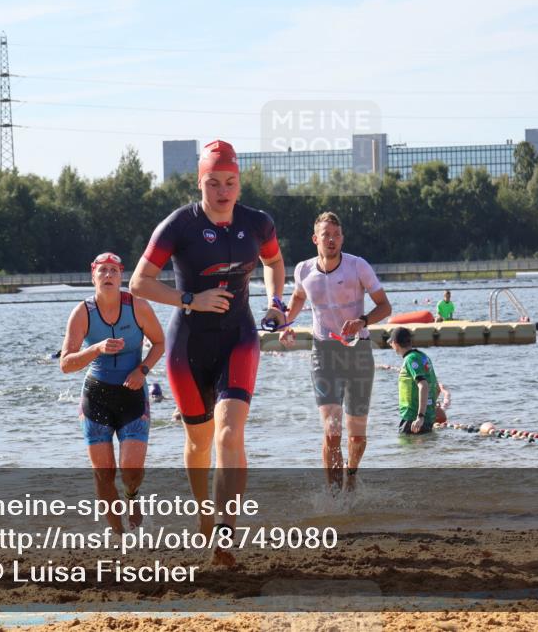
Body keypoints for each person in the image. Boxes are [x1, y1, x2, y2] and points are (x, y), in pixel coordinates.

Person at [130, 139, 286, 565]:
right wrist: (190, 300)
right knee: (199, 443)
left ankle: (225, 529)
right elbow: (139, 283)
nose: (222, 191)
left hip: (239, 336)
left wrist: (276, 302)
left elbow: (274, 263)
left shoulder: (258, 223)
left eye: (230, 182)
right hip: (188, 345)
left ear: (240, 183)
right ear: (200, 183)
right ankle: (204, 514)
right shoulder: (179, 225)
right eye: (213, 182)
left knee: (229, 434)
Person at [279, 212, 391, 490]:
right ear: (315, 239)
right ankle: (332, 497)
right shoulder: (304, 270)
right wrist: (285, 325)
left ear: (342, 239)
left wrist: (362, 321)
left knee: (356, 437)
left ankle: (351, 477)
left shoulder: (357, 266)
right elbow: (297, 299)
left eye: (337, 235)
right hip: (323, 353)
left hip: (358, 352)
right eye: (326, 235)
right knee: (332, 431)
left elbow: (385, 306)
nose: (332, 240)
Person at [60, 252, 165, 533]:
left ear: (121, 277)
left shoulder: (138, 306)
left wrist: (142, 370)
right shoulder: (82, 312)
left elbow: (159, 343)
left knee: (131, 471)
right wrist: (96, 349)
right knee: (103, 474)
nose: (108, 275)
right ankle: (118, 536)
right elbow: (66, 364)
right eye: (103, 270)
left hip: (132, 393)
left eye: (114, 271)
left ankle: (132, 496)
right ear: (93, 275)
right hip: (96, 397)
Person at [388, 327, 442, 435]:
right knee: (425, 445)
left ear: (395, 343)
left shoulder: (410, 359)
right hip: (427, 418)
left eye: (391, 343)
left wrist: (420, 416)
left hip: (412, 419)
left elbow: (423, 385)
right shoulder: (424, 357)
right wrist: (428, 408)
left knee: (406, 445)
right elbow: (437, 389)